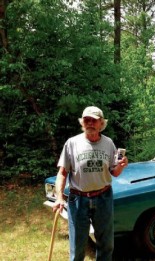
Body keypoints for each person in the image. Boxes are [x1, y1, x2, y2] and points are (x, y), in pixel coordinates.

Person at [52, 106, 128, 261]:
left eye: (94, 120)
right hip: (78, 199)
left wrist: (121, 166)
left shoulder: (108, 143)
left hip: (103, 197)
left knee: (106, 244)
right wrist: (59, 197)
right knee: (77, 246)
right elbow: (62, 173)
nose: (90, 123)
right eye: (86, 120)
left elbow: (114, 172)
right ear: (82, 123)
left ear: (101, 123)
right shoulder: (72, 143)